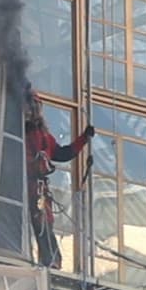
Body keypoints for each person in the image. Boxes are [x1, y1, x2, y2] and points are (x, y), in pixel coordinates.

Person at [27, 106, 93, 270]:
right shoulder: (25, 134)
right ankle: (49, 259)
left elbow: (63, 153)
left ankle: (51, 260)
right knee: (39, 222)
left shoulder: (44, 138)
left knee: (43, 223)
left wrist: (84, 138)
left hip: (36, 187)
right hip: (27, 185)